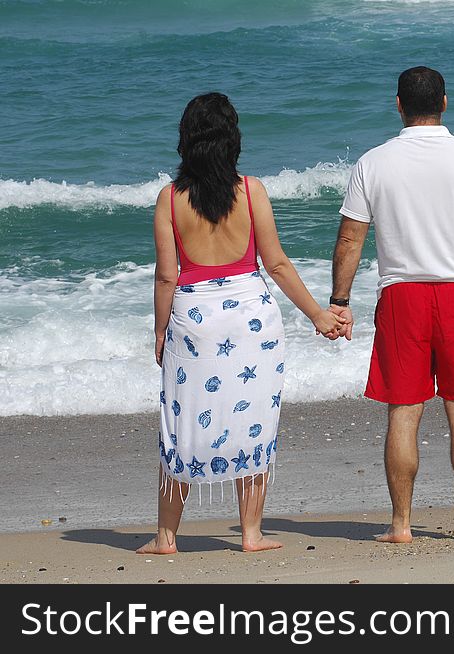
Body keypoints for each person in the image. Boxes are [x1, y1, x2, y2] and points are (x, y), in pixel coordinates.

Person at [138, 92, 346, 554]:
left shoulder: (169, 199)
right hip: (252, 316)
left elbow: (167, 275)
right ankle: (251, 533)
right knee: (254, 418)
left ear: (185, 140)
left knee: (182, 423)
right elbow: (276, 263)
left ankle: (166, 537)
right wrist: (317, 315)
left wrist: (159, 332)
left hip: (195, 319)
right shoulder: (251, 191)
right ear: (234, 140)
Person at [329, 66, 454, 543]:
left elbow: (351, 238)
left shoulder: (373, 162)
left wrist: (340, 300)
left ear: (398, 105)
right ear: (445, 103)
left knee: (403, 411)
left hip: (401, 295)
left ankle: (401, 525)